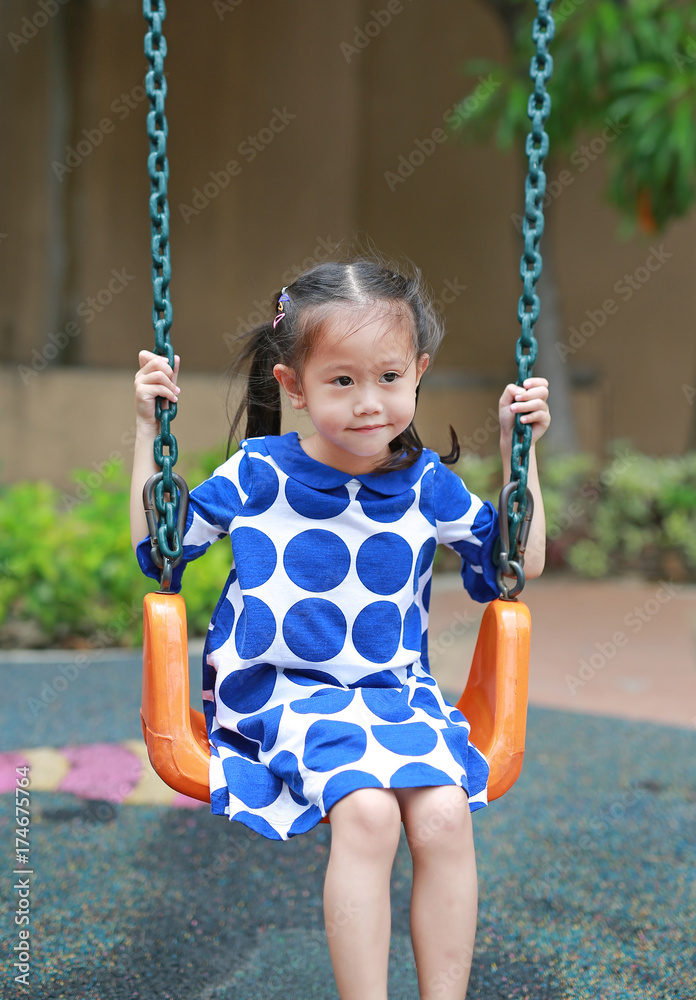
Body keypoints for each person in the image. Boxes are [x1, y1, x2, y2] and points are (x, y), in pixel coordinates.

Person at [130, 257, 550, 1000]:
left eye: (389, 378)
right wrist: (145, 430)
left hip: (393, 696)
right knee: (365, 811)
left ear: (417, 372)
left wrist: (528, 458)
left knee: (448, 813)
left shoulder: (424, 483)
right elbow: (161, 550)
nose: (369, 404)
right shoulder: (259, 473)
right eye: (342, 381)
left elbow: (518, 564)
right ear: (293, 386)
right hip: (284, 697)